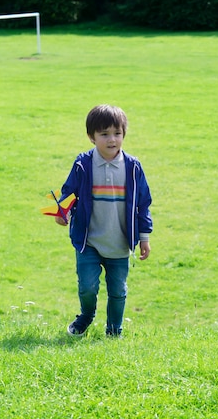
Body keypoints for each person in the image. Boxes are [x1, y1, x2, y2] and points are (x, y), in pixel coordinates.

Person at [55, 104, 153, 338]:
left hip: (119, 243)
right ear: (92, 137)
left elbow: (143, 203)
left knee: (118, 290)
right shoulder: (83, 164)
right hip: (88, 240)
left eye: (117, 133)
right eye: (104, 134)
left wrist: (144, 238)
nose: (112, 140)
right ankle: (86, 316)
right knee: (87, 287)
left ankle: (114, 330)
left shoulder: (132, 167)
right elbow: (69, 192)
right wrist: (62, 211)